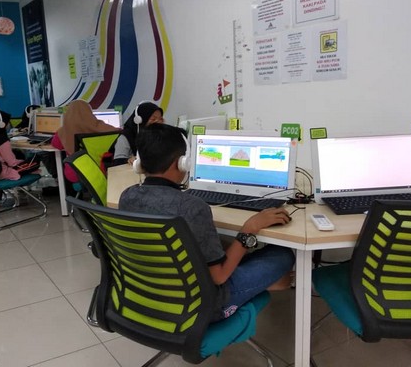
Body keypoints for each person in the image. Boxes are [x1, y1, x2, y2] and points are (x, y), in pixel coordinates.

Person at [119, 123, 295, 321]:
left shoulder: (127, 197)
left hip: (149, 294)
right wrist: (250, 227)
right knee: (281, 255)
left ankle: (262, 282)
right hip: (202, 304)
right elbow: (219, 277)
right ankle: (261, 285)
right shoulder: (193, 207)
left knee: (224, 246)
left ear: (140, 164)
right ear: (181, 163)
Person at [51, 99, 120, 188]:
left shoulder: (63, 131)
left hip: (77, 172)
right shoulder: (105, 129)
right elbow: (121, 133)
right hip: (103, 169)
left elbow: (55, 144)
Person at [0, 108, 39, 208]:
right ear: (0, 124)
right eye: (7, 123)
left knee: (18, 154)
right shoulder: (1, 141)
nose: (7, 125)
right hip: (1, 173)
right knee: (35, 161)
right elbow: (12, 163)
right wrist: (24, 161)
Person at [111, 101, 164, 166]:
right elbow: (117, 161)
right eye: (153, 119)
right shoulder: (126, 137)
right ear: (139, 120)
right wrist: (128, 160)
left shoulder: (159, 134)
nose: (158, 122)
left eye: (160, 119)